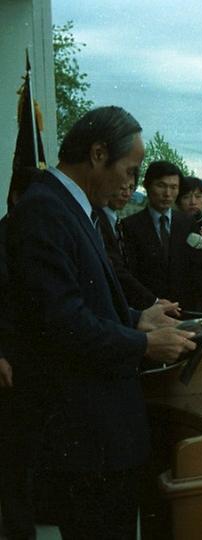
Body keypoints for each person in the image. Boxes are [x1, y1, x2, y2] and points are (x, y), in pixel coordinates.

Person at [4, 106, 197, 539]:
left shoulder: (72, 209)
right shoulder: (45, 211)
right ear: (96, 155)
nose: (131, 182)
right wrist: (143, 345)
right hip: (85, 439)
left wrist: (137, 318)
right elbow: (61, 323)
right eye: (129, 169)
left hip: (100, 435)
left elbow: (82, 299)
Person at [0, 166, 38, 540]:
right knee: (13, 451)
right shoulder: (4, 235)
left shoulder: (36, 236)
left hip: (35, 357)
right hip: (10, 359)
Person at [122, 160, 202, 313]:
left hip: (185, 310)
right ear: (147, 186)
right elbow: (130, 275)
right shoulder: (129, 226)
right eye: (161, 185)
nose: (167, 194)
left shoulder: (188, 223)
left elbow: (196, 269)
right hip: (149, 311)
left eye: (173, 187)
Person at [98, 179, 162, 309]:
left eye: (131, 188)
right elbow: (116, 269)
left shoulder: (119, 224)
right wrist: (153, 301)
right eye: (121, 187)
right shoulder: (96, 221)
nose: (126, 193)